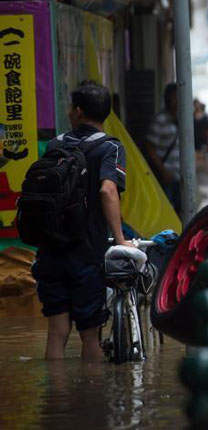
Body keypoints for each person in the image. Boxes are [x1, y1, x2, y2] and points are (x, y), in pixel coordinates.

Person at [30, 82, 132, 361]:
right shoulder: (110, 147)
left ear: (77, 111)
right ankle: (91, 401)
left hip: (50, 248)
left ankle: (58, 401)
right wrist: (120, 239)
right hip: (86, 252)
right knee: (90, 336)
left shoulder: (55, 144)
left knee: (56, 331)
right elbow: (107, 190)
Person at [146, 82, 181, 213]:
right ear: (167, 98)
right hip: (166, 175)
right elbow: (150, 148)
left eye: (178, 97)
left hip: (180, 176)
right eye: (174, 97)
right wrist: (163, 171)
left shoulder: (182, 119)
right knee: (166, 211)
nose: (176, 101)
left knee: (180, 211)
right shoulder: (159, 120)